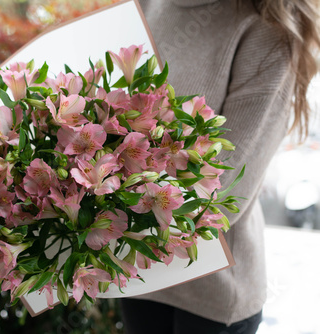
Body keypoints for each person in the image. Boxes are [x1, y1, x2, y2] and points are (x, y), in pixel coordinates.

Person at [120, 0, 320, 333]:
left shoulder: (266, 32)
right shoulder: (150, 4)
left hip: (212, 293)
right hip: (138, 272)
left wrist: (107, 194)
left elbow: (224, 193)